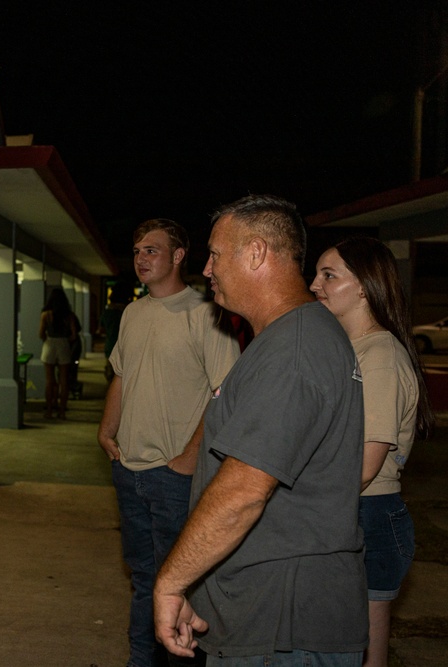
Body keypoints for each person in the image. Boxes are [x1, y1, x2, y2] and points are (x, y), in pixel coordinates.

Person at [154, 195, 368, 665]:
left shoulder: (293, 350)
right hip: (268, 613)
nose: (207, 268)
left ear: (255, 253)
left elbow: (244, 491)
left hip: (285, 623)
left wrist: (171, 581)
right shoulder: (288, 338)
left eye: (215, 254)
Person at [97, 218, 239, 667]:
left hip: (175, 477)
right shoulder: (132, 313)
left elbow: (226, 393)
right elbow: (121, 375)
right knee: (144, 579)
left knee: (181, 582)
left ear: (179, 256)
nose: (142, 258)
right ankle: (141, 661)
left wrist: (189, 457)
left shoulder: (206, 313)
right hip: (129, 470)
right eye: (138, 251)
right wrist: (106, 430)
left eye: (152, 250)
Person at [310, 237, 435, 667]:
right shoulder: (352, 349)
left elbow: (365, 465)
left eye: (329, 275)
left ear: (365, 286)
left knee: (364, 654)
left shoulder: (378, 356)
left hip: (367, 513)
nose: (314, 285)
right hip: (352, 510)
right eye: (317, 274)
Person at [39, 287, 80, 419]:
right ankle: (62, 412)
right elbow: (74, 335)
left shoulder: (46, 315)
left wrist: (48, 339)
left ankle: (49, 410)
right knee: (64, 381)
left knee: (50, 381)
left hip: (50, 344)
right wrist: (65, 340)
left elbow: (41, 333)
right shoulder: (69, 315)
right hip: (63, 345)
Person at [100, 289, 126, 383]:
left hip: (110, 345)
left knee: (111, 372)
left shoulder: (107, 312)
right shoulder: (128, 311)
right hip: (125, 345)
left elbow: (102, 329)